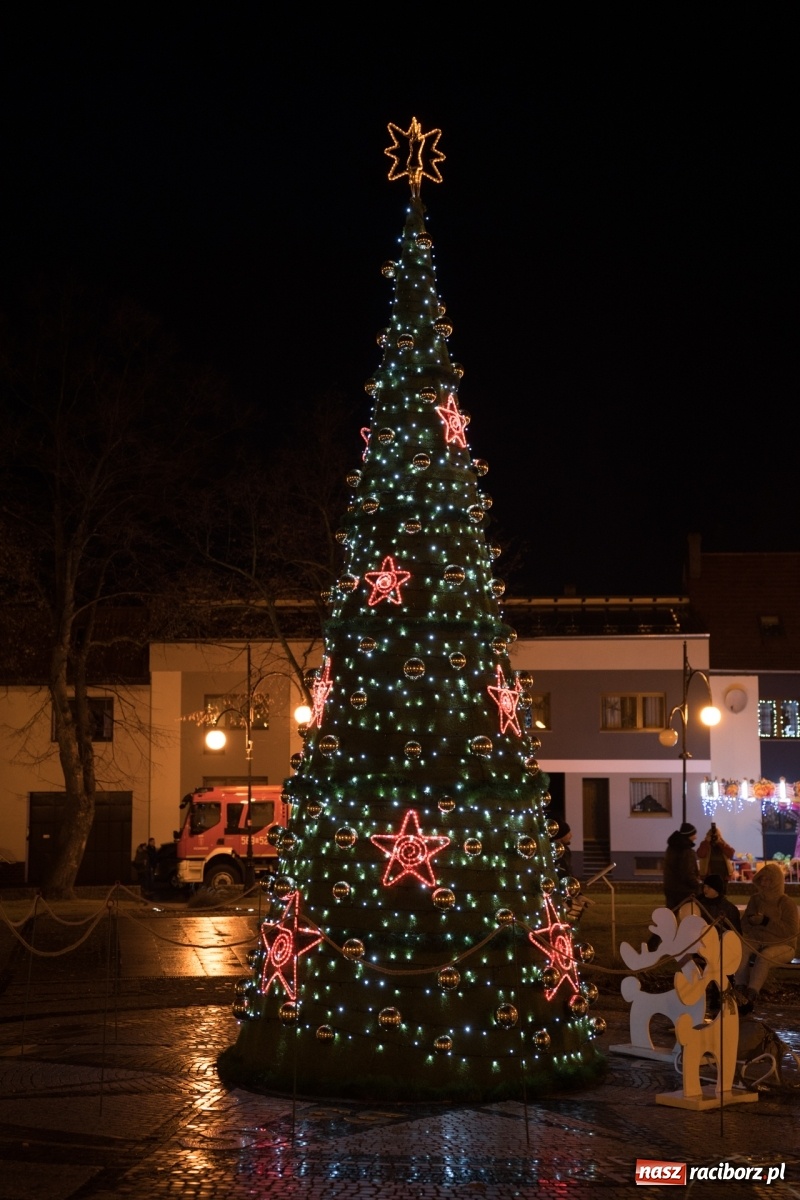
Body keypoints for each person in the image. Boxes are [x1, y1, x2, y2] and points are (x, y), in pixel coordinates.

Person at [734, 861, 800, 1003]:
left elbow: (791, 931)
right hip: (758, 941)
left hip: (784, 945)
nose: (764, 883)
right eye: (762, 879)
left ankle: (752, 992)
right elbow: (744, 924)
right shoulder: (756, 899)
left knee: (765, 957)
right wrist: (751, 921)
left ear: (776, 882)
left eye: (768, 880)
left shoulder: (786, 903)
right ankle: (739, 986)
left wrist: (766, 921)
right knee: (742, 948)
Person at [663, 821, 701, 911]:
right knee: (686, 915)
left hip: (670, 887)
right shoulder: (687, 851)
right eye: (694, 835)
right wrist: (697, 885)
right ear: (688, 836)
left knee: (672, 916)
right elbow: (687, 873)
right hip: (684, 891)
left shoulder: (671, 848)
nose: (695, 837)